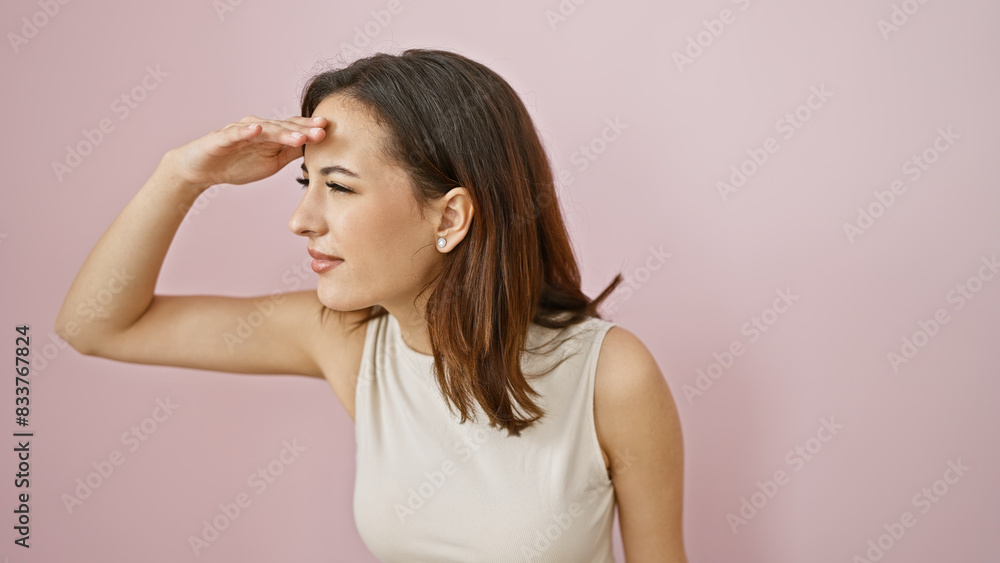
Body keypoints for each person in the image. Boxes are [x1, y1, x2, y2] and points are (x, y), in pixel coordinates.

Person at [55, 48, 687, 562]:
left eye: (338, 186)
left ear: (451, 215)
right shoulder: (347, 339)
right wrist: (180, 175)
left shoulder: (611, 377)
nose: (302, 220)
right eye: (307, 181)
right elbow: (95, 326)